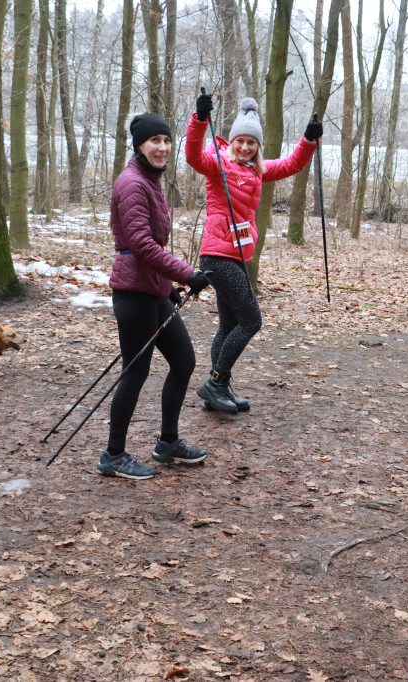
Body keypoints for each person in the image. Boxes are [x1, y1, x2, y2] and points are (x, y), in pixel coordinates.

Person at [186, 93, 322, 413]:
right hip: (217, 256)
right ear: (232, 141)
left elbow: (292, 164)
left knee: (228, 325)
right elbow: (192, 155)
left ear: (258, 146)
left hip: (236, 255)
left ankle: (218, 391)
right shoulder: (216, 161)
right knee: (251, 321)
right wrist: (200, 120)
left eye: (252, 142)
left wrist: (308, 139)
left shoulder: (257, 171)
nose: (245, 147)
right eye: (240, 141)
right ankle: (215, 383)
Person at [99, 112, 212, 480]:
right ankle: (113, 455)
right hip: (133, 294)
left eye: (166, 140)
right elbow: (143, 246)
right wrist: (187, 274)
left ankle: (168, 442)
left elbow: (151, 247)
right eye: (155, 141)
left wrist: (169, 286)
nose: (162, 147)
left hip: (152, 290)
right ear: (139, 146)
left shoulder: (150, 180)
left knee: (183, 361)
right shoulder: (132, 183)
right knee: (135, 372)